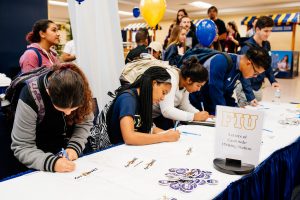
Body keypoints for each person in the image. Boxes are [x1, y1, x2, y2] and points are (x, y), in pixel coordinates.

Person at [11, 63, 94, 172]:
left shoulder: (81, 88)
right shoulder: (30, 97)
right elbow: (22, 146)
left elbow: (85, 122)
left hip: (66, 150)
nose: (68, 113)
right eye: (62, 109)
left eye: (74, 108)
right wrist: (51, 162)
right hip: (38, 156)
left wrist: (75, 146)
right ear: (48, 92)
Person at [108, 67, 180, 145]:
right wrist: (165, 137)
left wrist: (169, 134)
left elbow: (151, 128)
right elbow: (129, 137)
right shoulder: (128, 99)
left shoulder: (144, 100)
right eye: (163, 92)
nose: (163, 98)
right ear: (154, 84)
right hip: (109, 150)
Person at [189, 47, 271, 115]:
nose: (255, 76)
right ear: (249, 63)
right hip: (196, 106)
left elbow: (226, 94)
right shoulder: (221, 61)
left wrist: (236, 108)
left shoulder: (239, 70)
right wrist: (224, 113)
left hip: (210, 107)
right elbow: (215, 92)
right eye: (255, 72)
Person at [153, 57, 209, 130]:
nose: (199, 89)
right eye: (198, 85)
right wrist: (194, 116)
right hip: (147, 115)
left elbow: (184, 105)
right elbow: (167, 110)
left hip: (156, 116)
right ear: (189, 80)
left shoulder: (184, 83)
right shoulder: (171, 78)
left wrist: (200, 114)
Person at [236, 16, 280, 107]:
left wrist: (273, 80)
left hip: (259, 86)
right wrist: (250, 96)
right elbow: (244, 75)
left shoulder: (266, 45)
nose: (268, 34)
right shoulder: (246, 48)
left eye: (270, 31)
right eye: (266, 31)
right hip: (246, 89)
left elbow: (266, 65)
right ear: (257, 29)